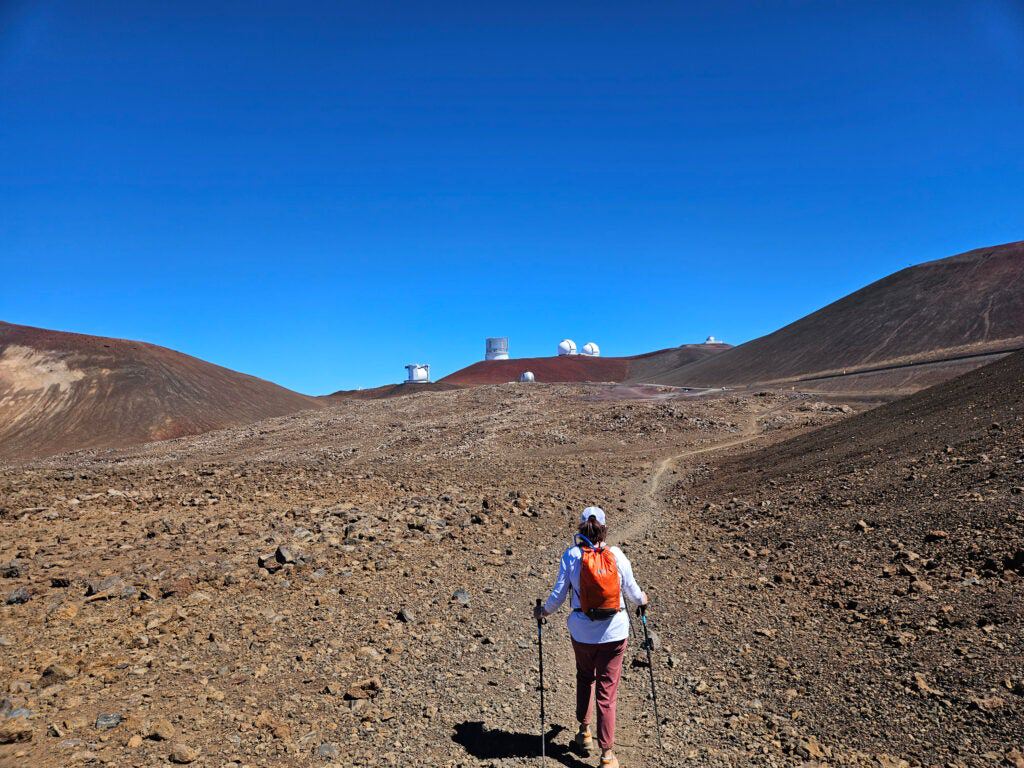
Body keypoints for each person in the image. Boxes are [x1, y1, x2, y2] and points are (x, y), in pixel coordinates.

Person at [533, 506, 648, 768]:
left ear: (581, 528)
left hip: (582, 633)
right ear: (603, 528)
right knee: (607, 693)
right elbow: (633, 593)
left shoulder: (571, 555)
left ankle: (584, 732)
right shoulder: (616, 555)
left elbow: (558, 597)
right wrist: (644, 600)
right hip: (615, 633)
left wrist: (542, 612)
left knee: (585, 677)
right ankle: (607, 755)